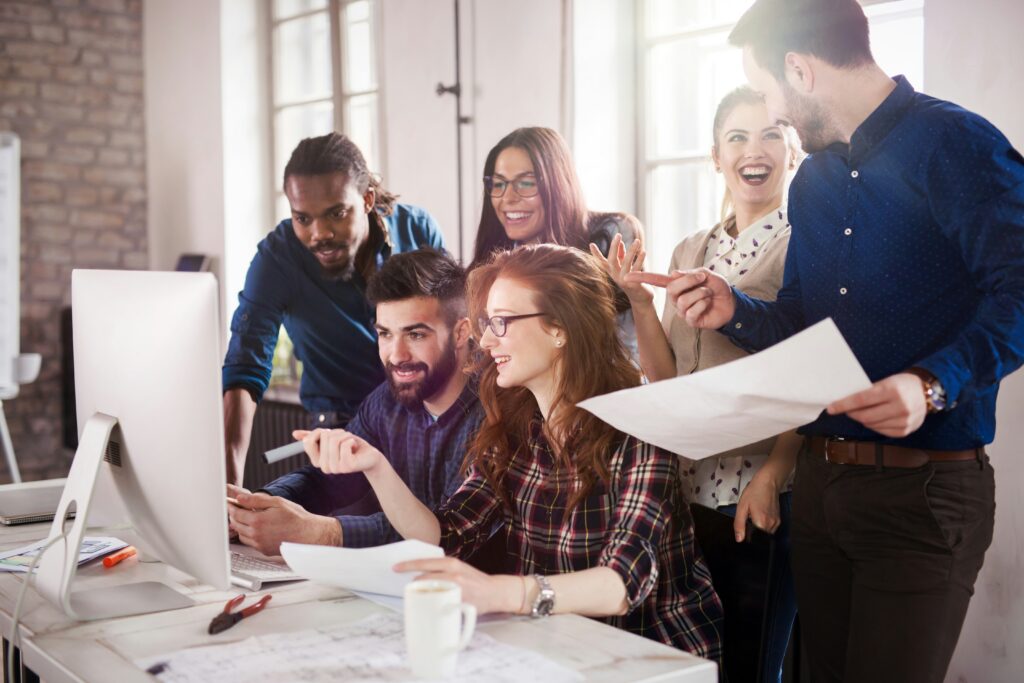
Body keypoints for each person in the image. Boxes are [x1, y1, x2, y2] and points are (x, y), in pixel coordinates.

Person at [633, 1, 1024, 681]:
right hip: (818, 489)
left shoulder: (955, 143)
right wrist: (733, 310)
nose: (774, 114)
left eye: (770, 91)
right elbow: (803, 328)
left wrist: (933, 383)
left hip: (923, 497)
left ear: (801, 69)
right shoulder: (813, 183)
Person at [300, 245, 724, 661]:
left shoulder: (639, 425)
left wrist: (500, 592)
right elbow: (443, 536)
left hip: (653, 661)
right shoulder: (517, 429)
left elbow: (622, 584)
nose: (484, 340)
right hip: (556, 650)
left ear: (560, 328)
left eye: (501, 322)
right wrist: (374, 464)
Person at [594, 85, 801, 683]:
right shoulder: (691, 248)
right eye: (737, 136)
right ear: (716, 155)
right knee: (693, 662)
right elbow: (663, 375)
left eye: (770, 135)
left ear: (792, 153)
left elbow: (807, 372)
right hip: (686, 493)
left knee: (752, 663)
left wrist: (775, 472)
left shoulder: (802, 246)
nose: (753, 150)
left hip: (757, 490)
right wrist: (635, 297)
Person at [222, 132, 445, 487]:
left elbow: (449, 338)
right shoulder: (277, 258)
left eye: (336, 214)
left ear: (368, 199)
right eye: (302, 218)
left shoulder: (417, 229)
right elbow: (244, 365)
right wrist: (228, 489)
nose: (318, 234)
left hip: (423, 422)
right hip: (337, 429)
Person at [227, 249, 481, 555]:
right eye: (385, 334)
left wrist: (319, 532)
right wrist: (254, 507)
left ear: (461, 332)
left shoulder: (494, 413)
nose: (397, 356)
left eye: (415, 335)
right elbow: (330, 482)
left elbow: (443, 535)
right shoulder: (386, 402)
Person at [471, 126, 643, 356]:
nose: (508, 198)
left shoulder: (611, 233)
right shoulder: (492, 259)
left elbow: (628, 349)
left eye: (526, 183)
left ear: (557, 183)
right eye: (499, 184)